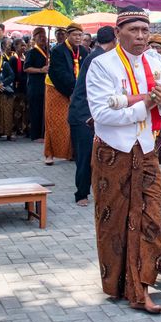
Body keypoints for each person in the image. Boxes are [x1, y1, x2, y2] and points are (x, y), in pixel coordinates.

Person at [86, 6, 161, 314]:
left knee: (151, 218)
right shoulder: (102, 65)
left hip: (147, 148)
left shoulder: (155, 61)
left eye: (144, 30)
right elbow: (102, 114)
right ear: (118, 33)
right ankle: (117, 285)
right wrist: (144, 107)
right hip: (113, 152)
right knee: (113, 222)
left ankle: (141, 287)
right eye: (133, 30)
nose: (140, 37)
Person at [68, 26, 116, 207]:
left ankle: (96, 190)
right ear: (114, 40)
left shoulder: (97, 56)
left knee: (94, 155)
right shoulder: (97, 59)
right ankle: (81, 193)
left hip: (90, 114)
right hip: (83, 114)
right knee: (84, 155)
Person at [44, 23, 87, 164]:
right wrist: (71, 91)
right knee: (55, 122)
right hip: (57, 89)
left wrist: (78, 91)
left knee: (73, 121)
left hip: (75, 90)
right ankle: (49, 154)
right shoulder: (57, 50)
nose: (78, 38)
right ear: (68, 36)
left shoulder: (84, 51)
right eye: (75, 35)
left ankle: (71, 153)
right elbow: (58, 74)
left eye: (80, 35)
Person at [24, 27, 48, 142]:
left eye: (44, 36)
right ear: (35, 38)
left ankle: (44, 133)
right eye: (40, 36)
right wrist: (40, 70)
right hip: (35, 85)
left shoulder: (49, 51)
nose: (43, 38)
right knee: (36, 110)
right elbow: (26, 68)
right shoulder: (31, 52)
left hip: (46, 85)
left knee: (44, 109)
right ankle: (35, 135)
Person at [9, 38, 28, 136]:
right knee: (17, 109)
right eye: (22, 45)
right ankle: (15, 128)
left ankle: (23, 128)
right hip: (18, 86)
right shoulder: (13, 59)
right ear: (16, 46)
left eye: (25, 45)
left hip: (25, 87)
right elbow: (13, 74)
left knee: (24, 108)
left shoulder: (25, 57)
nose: (24, 47)